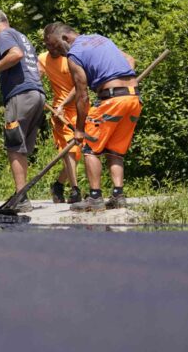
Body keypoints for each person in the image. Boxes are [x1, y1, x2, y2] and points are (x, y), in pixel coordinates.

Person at [46, 22, 141, 212]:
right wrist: (121, 84)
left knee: (90, 149)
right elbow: (130, 60)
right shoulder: (100, 38)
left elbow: (82, 96)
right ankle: (118, 196)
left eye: (55, 46)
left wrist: (80, 129)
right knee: (115, 151)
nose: (57, 52)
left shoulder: (74, 54)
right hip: (133, 99)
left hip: (111, 101)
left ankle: (95, 197)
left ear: (65, 38)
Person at [0, 10, 45, 213]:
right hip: (37, 95)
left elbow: (16, 55)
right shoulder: (21, 36)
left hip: (20, 96)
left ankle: (21, 197)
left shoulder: (4, 35)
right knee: (21, 148)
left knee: (14, 145)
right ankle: (22, 194)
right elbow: (39, 69)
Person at [38, 35, 82, 205]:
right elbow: (36, 79)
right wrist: (37, 95)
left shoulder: (71, 58)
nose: (52, 49)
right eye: (48, 45)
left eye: (55, 46)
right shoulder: (42, 59)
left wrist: (64, 103)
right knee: (70, 150)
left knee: (79, 152)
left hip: (79, 107)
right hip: (59, 113)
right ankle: (75, 191)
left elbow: (78, 86)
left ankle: (58, 185)